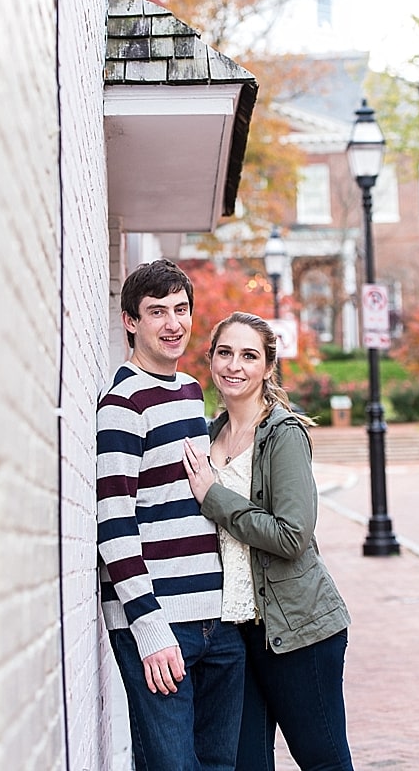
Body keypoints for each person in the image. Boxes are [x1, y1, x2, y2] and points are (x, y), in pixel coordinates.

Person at [183, 311, 354, 771]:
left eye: (248, 355)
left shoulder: (283, 434)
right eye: (225, 353)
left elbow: (293, 535)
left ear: (267, 367)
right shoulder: (206, 436)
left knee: (323, 761)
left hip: (298, 630)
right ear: (211, 360)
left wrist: (215, 498)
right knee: (245, 765)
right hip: (233, 634)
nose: (234, 365)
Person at [97, 259, 245, 771]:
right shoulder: (122, 404)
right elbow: (113, 524)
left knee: (219, 765)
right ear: (130, 322)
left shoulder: (189, 392)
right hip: (161, 624)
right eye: (156, 312)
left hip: (215, 621)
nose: (172, 323)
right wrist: (149, 626)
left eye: (180, 310)